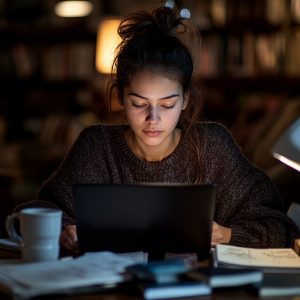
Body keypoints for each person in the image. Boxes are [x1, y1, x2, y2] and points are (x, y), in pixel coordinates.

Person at [14, 5, 299, 251]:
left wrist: (226, 234)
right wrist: (65, 230)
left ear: (186, 99)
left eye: (167, 104)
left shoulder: (212, 146)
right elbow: (37, 212)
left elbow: (279, 226)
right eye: (139, 104)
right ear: (121, 98)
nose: (153, 119)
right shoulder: (97, 146)